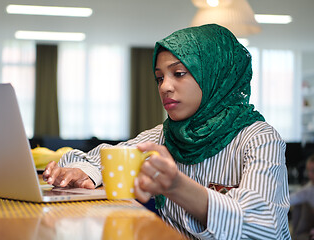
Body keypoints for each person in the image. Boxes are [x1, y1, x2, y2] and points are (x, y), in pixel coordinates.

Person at [43, 24, 291, 239]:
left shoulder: (259, 138)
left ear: (215, 75)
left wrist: (178, 187)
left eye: (179, 73)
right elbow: (100, 158)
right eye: (159, 78)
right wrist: (80, 172)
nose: (165, 87)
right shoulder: (162, 136)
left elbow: (264, 226)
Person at [290, 155, 314, 239]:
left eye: (313, 171)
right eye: (308, 171)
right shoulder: (308, 189)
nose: (309, 175)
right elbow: (289, 200)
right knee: (298, 206)